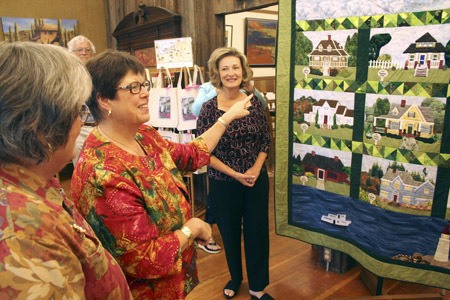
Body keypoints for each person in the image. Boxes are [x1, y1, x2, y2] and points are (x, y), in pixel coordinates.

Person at [70, 49, 252, 300]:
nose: (146, 92)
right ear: (104, 100)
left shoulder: (143, 135)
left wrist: (227, 117)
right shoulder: (102, 172)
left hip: (172, 284)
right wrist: (191, 229)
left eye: (144, 84)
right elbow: (142, 260)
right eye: (133, 87)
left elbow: (190, 154)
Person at [0, 42, 132, 299]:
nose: (81, 121)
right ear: (41, 126)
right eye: (77, 111)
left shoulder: (36, 180)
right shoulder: (25, 236)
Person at [196, 47, 273, 300]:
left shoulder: (254, 101)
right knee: (229, 232)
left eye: (235, 67)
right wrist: (235, 174)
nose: (231, 73)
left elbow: (265, 139)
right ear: (217, 73)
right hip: (224, 181)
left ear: (243, 70)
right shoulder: (209, 109)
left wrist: (255, 169)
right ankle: (235, 277)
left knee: (257, 231)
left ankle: (257, 287)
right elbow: (203, 150)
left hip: (255, 179)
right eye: (225, 68)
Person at [67, 35, 97, 165]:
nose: (84, 53)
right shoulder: (66, 73)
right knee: (82, 166)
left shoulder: (99, 71)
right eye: (79, 50)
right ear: (71, 53)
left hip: (101, 125)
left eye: (87, 49)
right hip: (81, 128)